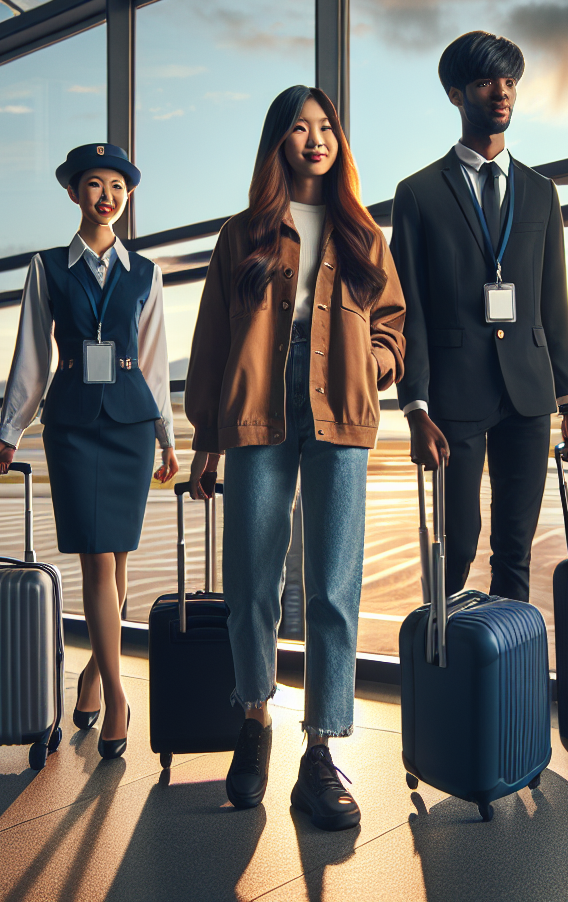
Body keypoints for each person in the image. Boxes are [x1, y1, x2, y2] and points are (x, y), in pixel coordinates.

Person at [185, 86, 405, 832]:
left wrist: (373, 364)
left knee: (333, 582)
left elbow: (395, 327)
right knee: (250, 572)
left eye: (327, 127)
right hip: (258, 407)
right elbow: (213, 341)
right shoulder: (242, 233)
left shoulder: (365, 234)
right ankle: (255, 720)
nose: (316, 139)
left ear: (340, 142)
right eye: (301, 128)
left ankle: (321, 750)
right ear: (278, 141)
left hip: (339, 406)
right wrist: (206, 440)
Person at [0, 143, 180, 760]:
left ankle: (95, 671)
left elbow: (153, 360)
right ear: (73, 193)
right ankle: (119, 696)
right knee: (97, 562)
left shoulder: (145, 271)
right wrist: (10, 431)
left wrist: (169, 438)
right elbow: (33, 355)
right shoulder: (47, 267)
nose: (107, 196)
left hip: (128, 428)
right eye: (94, 185)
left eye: (118, 186)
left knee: (117, 568)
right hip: (71, 426)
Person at [389, 30, 568, 604]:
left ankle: (513, 683)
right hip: (454, 397)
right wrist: (415, 407)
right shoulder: (420, 193)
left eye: (510, 83)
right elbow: (410, 310)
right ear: (456, 95)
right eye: (485, 83)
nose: (501, 94)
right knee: (457, 545)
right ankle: (441, 665)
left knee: (516, 549)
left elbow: (555, 304)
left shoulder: (541, 192)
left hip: (528, 397)